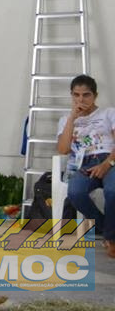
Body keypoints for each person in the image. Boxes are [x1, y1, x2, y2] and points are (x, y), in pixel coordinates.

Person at [56, 74, 115, 258]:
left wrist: (107, 164)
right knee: (75, 192)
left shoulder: (109, 113)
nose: (81, 99)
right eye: (76, 95)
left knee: (112, 191)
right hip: (83, 163)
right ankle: (108, 230)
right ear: (72, 95)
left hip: (109, 159)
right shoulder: (66, 119)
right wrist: (72, 118)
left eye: (86, 95)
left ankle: (110, 239)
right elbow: (63, 150)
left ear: (95, 96)